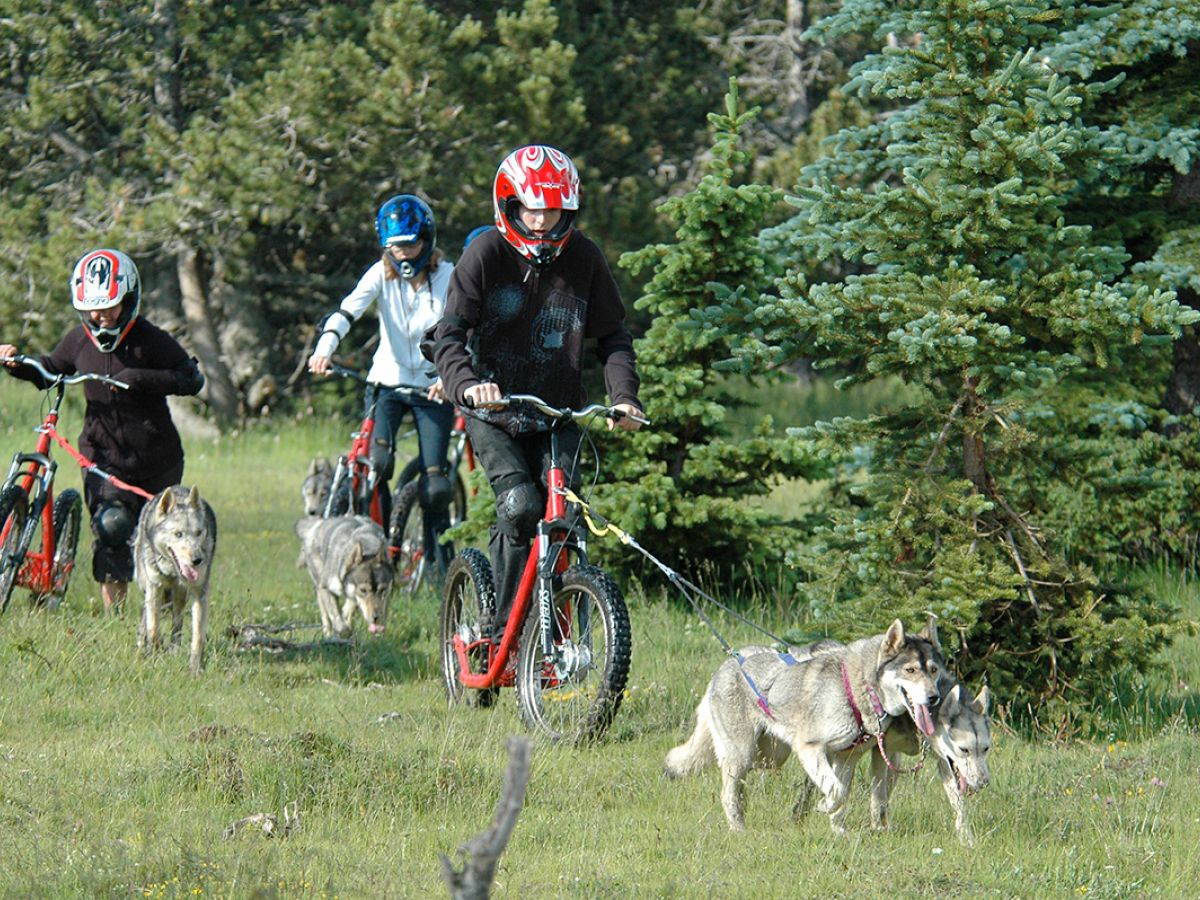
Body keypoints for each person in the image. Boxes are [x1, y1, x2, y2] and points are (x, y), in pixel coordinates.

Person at [426, 144, 644, 635]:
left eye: (552, 209)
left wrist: (624, 397)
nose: (542, 220)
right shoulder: (485, 255)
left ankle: (556, 638)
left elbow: (613, 337)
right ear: (509, 206)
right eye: (532, 208)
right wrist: (468, 386)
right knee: (521, 507)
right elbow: (450, 335)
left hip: (557, 414)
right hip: (494, 412)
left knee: (562, 516)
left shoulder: (584, 258)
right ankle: (498, 629)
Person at [0, 248, 205, 612]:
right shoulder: (78, 340)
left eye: (110, 305)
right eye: (93, 308)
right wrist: (17, 364)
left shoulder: (150, 339)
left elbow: (190, 378)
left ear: (128, 298)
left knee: (164, 540)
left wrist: (138, 378)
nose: (101, 315)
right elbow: (50, 368)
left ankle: (164, 617)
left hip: (158, 461)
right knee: (112, 527)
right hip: (102, 457)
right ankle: (116, 617)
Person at [307, 194, 456, 575]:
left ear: (427, 238)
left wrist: (446, 377)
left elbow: (461, 330)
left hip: (431, 387)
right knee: (377, 466)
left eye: (411, 244)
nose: (404, 255)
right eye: (395, 247)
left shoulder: (447, 277)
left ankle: (443, 567)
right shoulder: (379, 274)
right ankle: (383, 550)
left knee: (437, 486)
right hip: (386, 383)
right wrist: (325, 348)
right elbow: (347, 310)